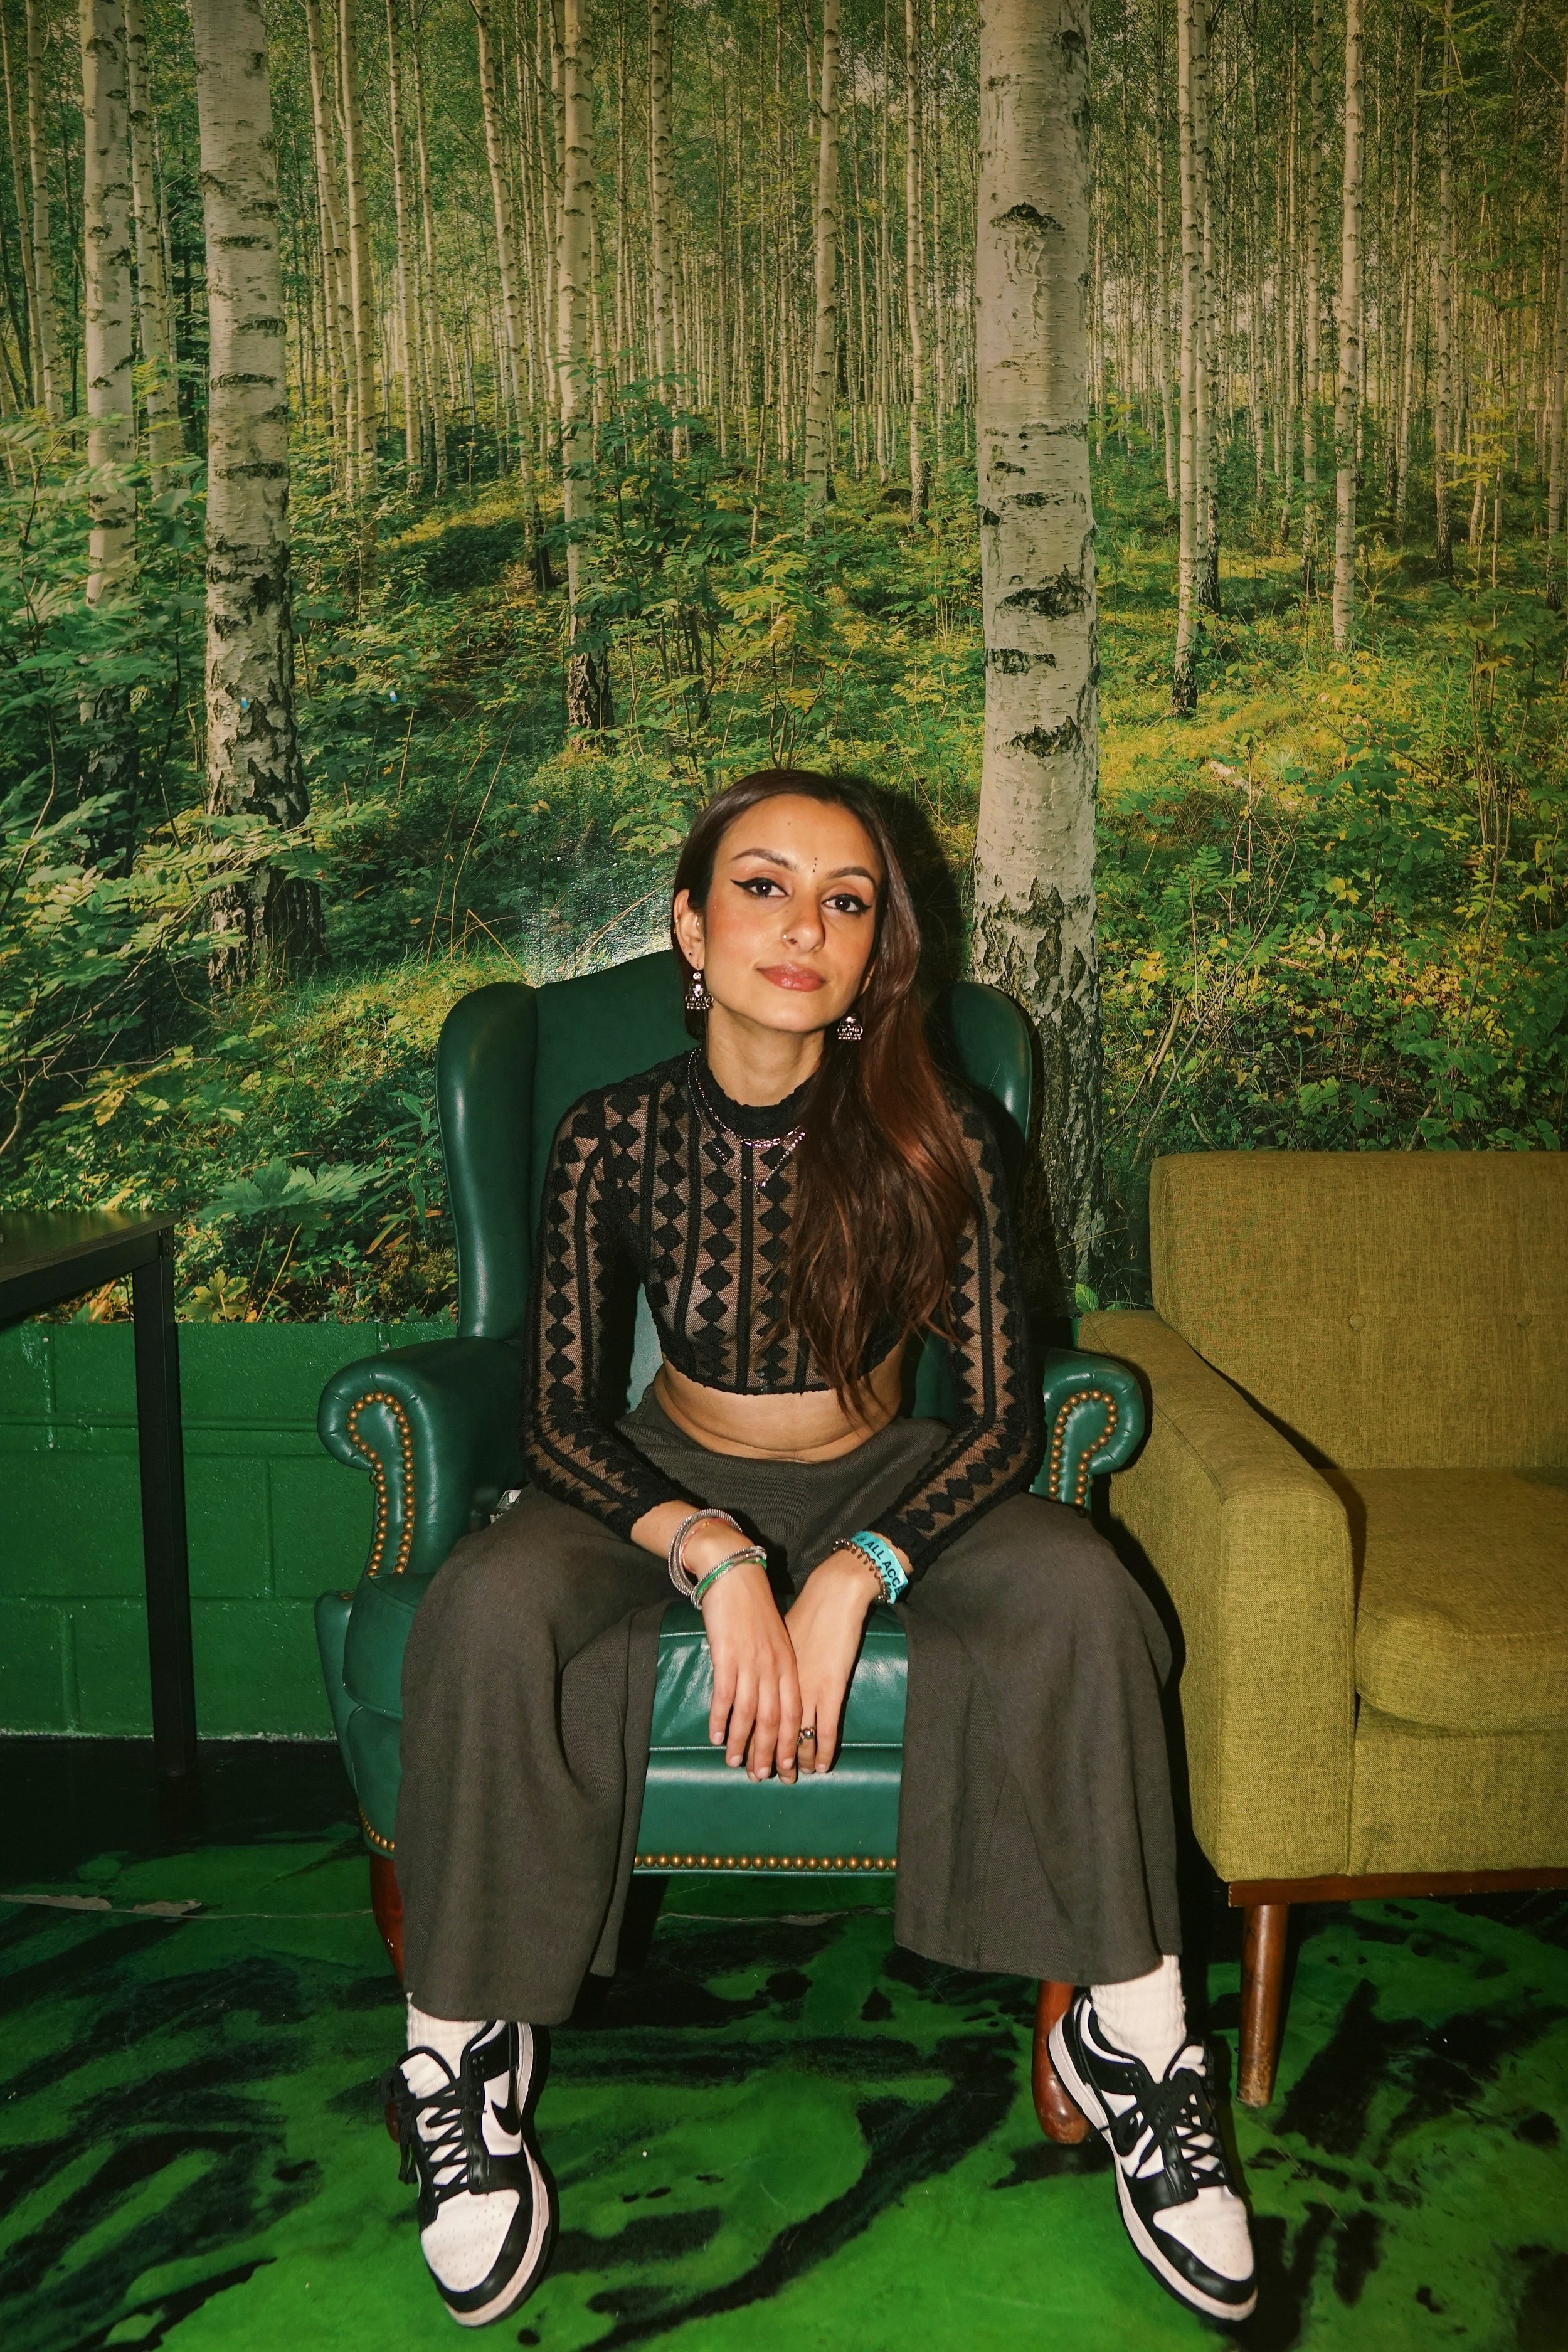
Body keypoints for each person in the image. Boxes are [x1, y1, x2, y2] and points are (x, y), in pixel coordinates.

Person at [383, 770, 1257, 2328]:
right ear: (690, 929)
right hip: (659, 1469)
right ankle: (460, 2049)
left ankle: (1132, 2032)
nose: (805, 924)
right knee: (483, 1604)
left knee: (1082, 1591)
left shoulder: (947, 1136)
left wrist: (861, 1569)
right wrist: (712, 1556)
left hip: (893, 1468)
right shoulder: (607, 1134)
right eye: (764, 886)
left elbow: (995, 1423)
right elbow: (555, 1420)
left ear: (875, 955)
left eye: (845, 899)